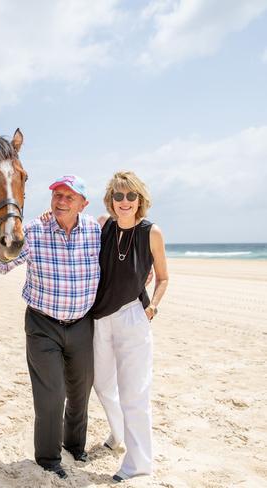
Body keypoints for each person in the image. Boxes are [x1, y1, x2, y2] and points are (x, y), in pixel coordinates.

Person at [0, 175, 101, 479]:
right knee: (51, 394)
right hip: (42, 324)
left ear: (83, 205)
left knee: (79, 392)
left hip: (82, 325)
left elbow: (120, 259)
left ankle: (74, 446)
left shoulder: (96, 232)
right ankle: (48, 459)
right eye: (57, 196)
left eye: (68, 197)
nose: (60, 201)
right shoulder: (34, 230)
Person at [90, 171, 169, 483]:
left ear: (140, 200)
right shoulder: (101, 225)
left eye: (130, 196)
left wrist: (153, 306)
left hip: (133, 316)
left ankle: (137, 464)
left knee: (134, 392)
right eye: (118, 196)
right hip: (99, 317)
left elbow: (163, 277)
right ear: (111, 200)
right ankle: (118, 433)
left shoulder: (152, 232)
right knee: (102, 383)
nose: (124, 202)